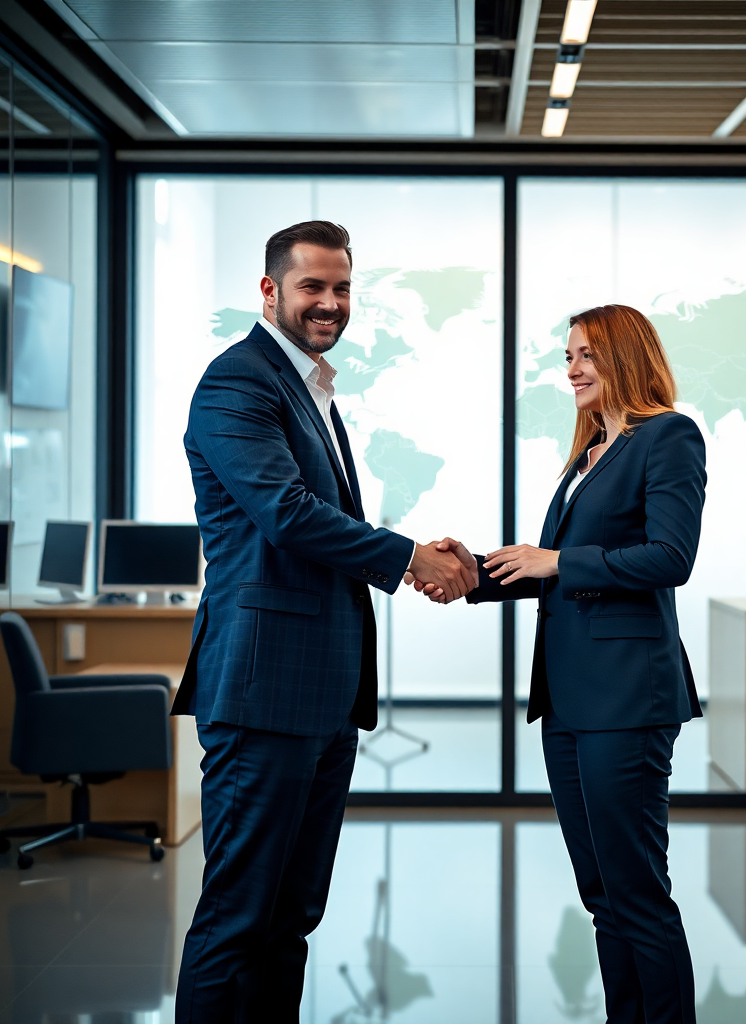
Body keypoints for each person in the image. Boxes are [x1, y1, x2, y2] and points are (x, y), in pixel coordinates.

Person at [171, 220, 474, 1023]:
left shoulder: (307, 387)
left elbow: (318, 519)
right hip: (264, 690)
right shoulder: (239, 381)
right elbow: (289, 514)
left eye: (341, 288)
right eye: (312, 286)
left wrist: (422, 555)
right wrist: (413, 558)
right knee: (238, 921)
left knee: (291, 920)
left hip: (318, 696)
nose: (330, 303)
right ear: (269, 290)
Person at [418, 304, 706, 1024]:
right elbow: (551, 570)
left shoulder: (668, 437)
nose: (571, 369)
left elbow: (670, 559)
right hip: (570, 702)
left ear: (626, 357)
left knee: (637, 892)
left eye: (587, 354)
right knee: (603, 894)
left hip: (626, 702)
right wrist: (469, 574)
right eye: (568, 356)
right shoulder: (586, 457)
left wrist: (557, 558)